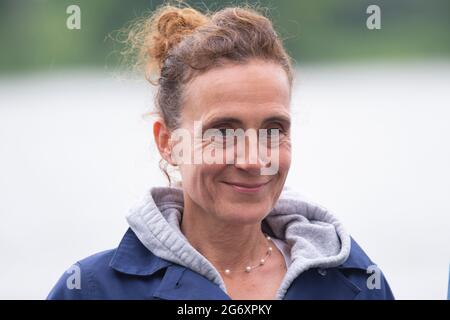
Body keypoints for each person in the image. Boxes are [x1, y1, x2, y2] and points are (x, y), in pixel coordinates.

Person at [48, 4, 394, 300]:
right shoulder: (93, 290)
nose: (254, 160)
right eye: (223, 132)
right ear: (168, 143)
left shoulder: (355, 283)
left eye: (273, 130)